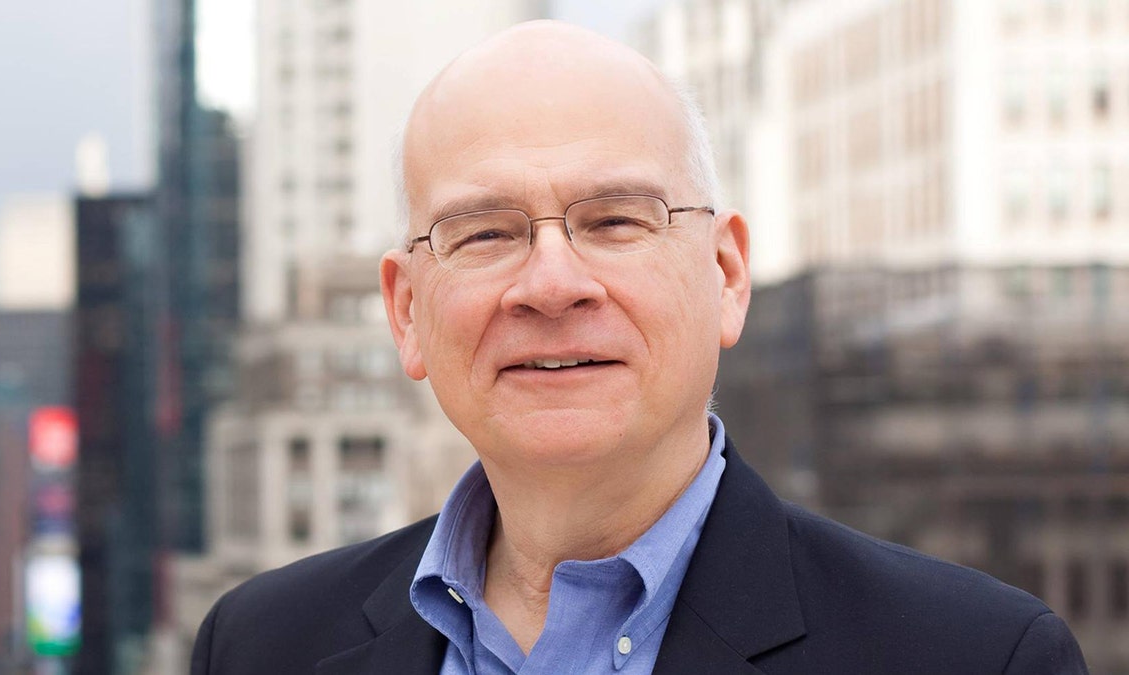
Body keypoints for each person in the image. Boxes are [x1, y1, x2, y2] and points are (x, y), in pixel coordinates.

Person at [191, 21, 1088, 674]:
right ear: (407, 311)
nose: (551, 283)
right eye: (486, 232)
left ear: (727, 274)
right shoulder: (261, 644)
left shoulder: (973, 655)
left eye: (616, 220)